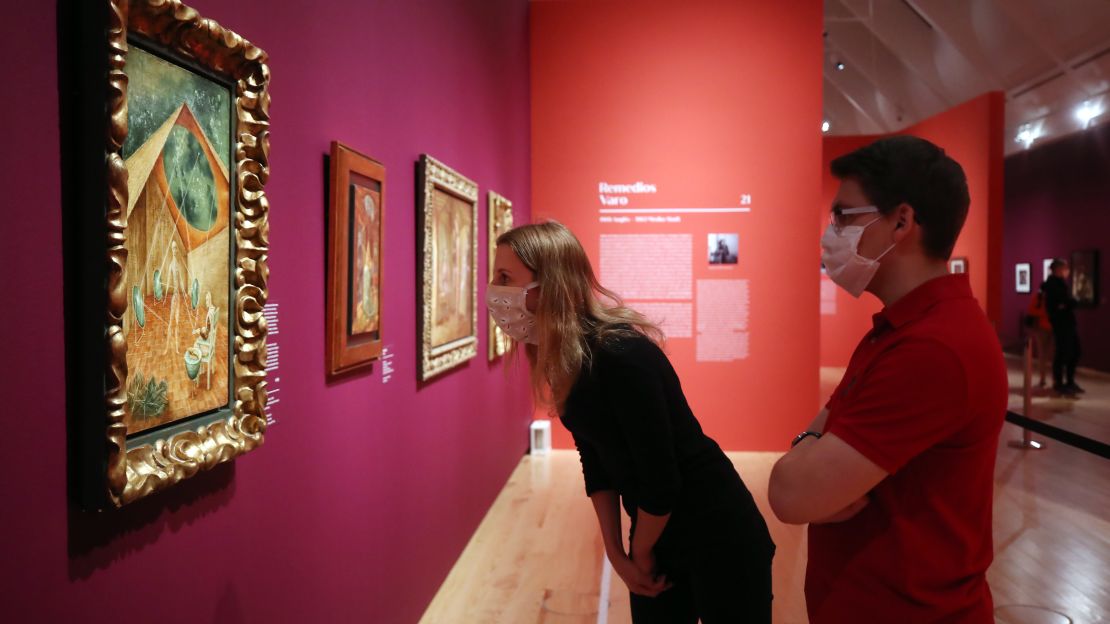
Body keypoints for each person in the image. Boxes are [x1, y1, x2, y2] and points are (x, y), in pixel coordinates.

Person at [768, 136, 1008, 622]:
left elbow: (791, 494)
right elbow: (815, 449)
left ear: (901, 221)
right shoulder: (902, 329)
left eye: (844, 216)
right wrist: (812, 446)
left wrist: (808, 454)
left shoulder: (933, 348)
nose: (830, 232)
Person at [488, 222, 775, 623]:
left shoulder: (620, 355)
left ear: (550, 284)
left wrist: (637, 553)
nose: (494, 291)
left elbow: (662, 479)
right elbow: (595, 458)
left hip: (717, 528)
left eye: (505, 278)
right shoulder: (565, 356)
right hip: (654, 529)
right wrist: (616, 554)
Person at [1042, 259, 1084, 396]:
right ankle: (1059, 383)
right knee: (1062, 352)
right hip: (1061, 324)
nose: (1067, 271)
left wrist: (1066, 304)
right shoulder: (1052, 285)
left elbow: (1065, 303)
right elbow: (1061, 304)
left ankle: (1069, 381)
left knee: (1074, 351)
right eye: (1064, 268)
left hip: (1067, 322)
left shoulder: (1059, 284)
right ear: (1058, 269)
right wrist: (1068, 303)